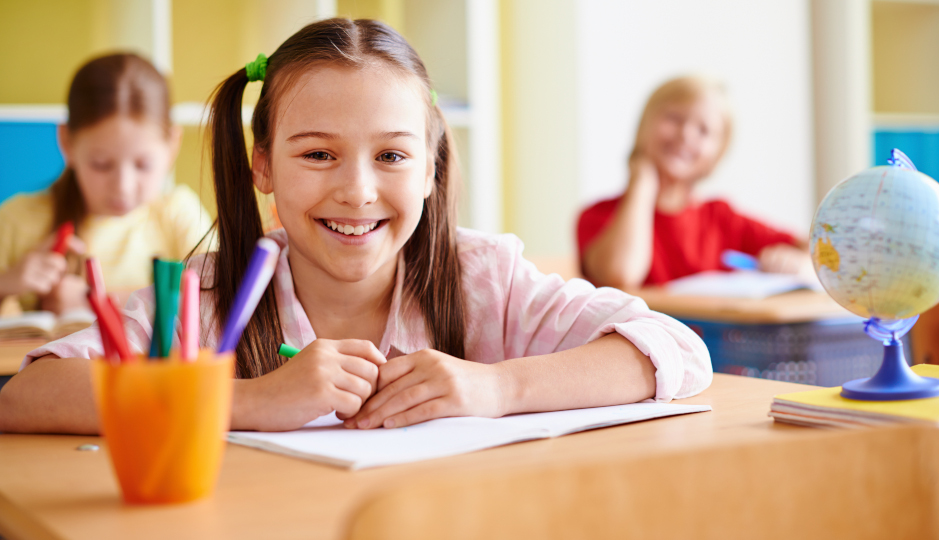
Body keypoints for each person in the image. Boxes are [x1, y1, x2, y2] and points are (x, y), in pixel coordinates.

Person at [0, 19, 710, 434]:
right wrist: (251, 401)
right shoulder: (203, 298)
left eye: (393, 155)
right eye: (317, 154)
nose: (357, 190)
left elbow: (675, 349)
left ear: (431, 168)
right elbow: (29, 395)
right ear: (264, 167)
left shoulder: (482, 279)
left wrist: (497, 389)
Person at [0, 53, 213, 314]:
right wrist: (6, 283)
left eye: (142, 165)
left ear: (172, 145)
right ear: (66, 142)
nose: (122, 186)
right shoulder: (16, 219)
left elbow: (221, 294)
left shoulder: (177, 214)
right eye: (101, 164)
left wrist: (96, 303)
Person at [577, 76, 807, 289]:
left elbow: (815, 248)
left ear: (718, 154)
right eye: (674, 118)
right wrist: (642, 184)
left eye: (704, 130)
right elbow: (621, 274)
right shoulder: (598, 217)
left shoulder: (721, 219)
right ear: (644, 125)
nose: (686, 134)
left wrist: (795, 262)